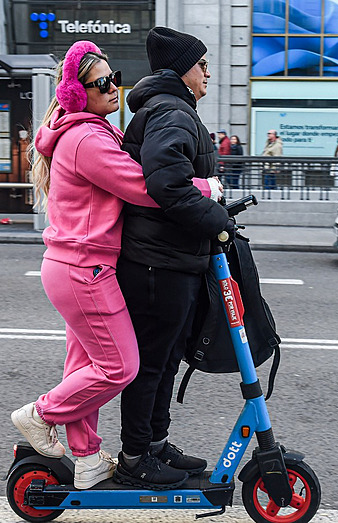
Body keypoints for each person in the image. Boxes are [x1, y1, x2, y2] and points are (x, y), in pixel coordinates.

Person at [10, 40, 166, 491]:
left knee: (84, 369)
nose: (113, 87)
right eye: (102, 83)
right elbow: (140, 186)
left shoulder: (84, 130)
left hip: (72, 267)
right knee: (120, 367)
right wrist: (204, 188)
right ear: (80, 94)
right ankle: (38, 414)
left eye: (114, 77)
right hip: (85, 270)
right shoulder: (86, 137)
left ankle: (87, 457)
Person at [116, 26, 233, 490]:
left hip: (169, 259)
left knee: (164, 361)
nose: (208, 73)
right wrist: (217, 221)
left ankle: (154, 444)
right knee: (152, 363)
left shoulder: (173, 110)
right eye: (202, 64)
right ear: (182, 70)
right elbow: (168, 187)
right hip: (156, 263)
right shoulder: (170, 112)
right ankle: (134, 457)